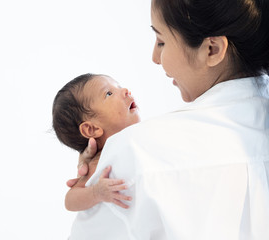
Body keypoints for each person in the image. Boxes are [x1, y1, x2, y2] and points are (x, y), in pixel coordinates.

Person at [67, 0, 269, 239]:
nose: (155, 57)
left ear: (212, 49)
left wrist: (103, 167)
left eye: (161, 41)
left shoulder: (136, 153)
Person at [52, 73, 140, 211]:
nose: (125, 90)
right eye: (109, 93)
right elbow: (70, 201)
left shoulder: (139, 136)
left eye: (119, 86)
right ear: (91, 128)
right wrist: (96, 193)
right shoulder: (98, 161)